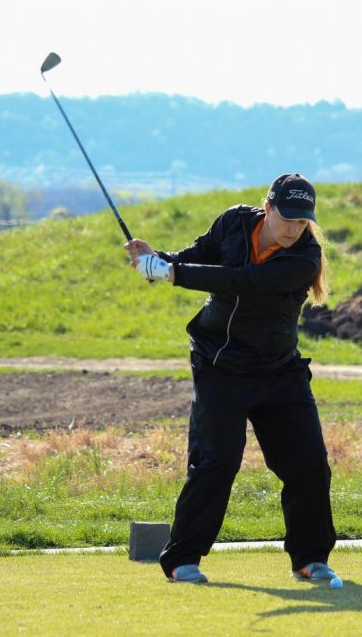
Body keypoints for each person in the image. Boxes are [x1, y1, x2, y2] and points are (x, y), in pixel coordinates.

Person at [124, 173, 339, 584]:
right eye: (287, 219)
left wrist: (173, 273)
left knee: (309, 463)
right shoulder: (235, 222)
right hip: (219, 366)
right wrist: (157, 259)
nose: (294, 229)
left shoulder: (304, 258)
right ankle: (182, 559)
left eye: (302, 221)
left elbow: (243, 283)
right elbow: (197, 256)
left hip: (279, 373)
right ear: (268, 207)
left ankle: (310, 559)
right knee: (216, 460)